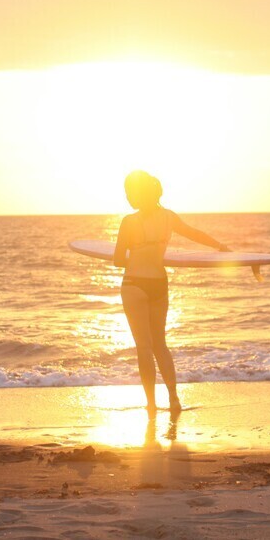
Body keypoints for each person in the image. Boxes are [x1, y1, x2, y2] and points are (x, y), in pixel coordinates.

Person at [113, 170, 230, 416]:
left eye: (129, 192)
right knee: (160, 346)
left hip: (134, 283)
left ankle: (152, 405)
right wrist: (220, 246)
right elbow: (194, 233)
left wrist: (135, 253)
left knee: (143, 348)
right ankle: (174, 399)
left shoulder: (128, 222)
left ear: (137, 193)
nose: (127, 197)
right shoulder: (168, 218)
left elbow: (117, 260)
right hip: (159, 283)